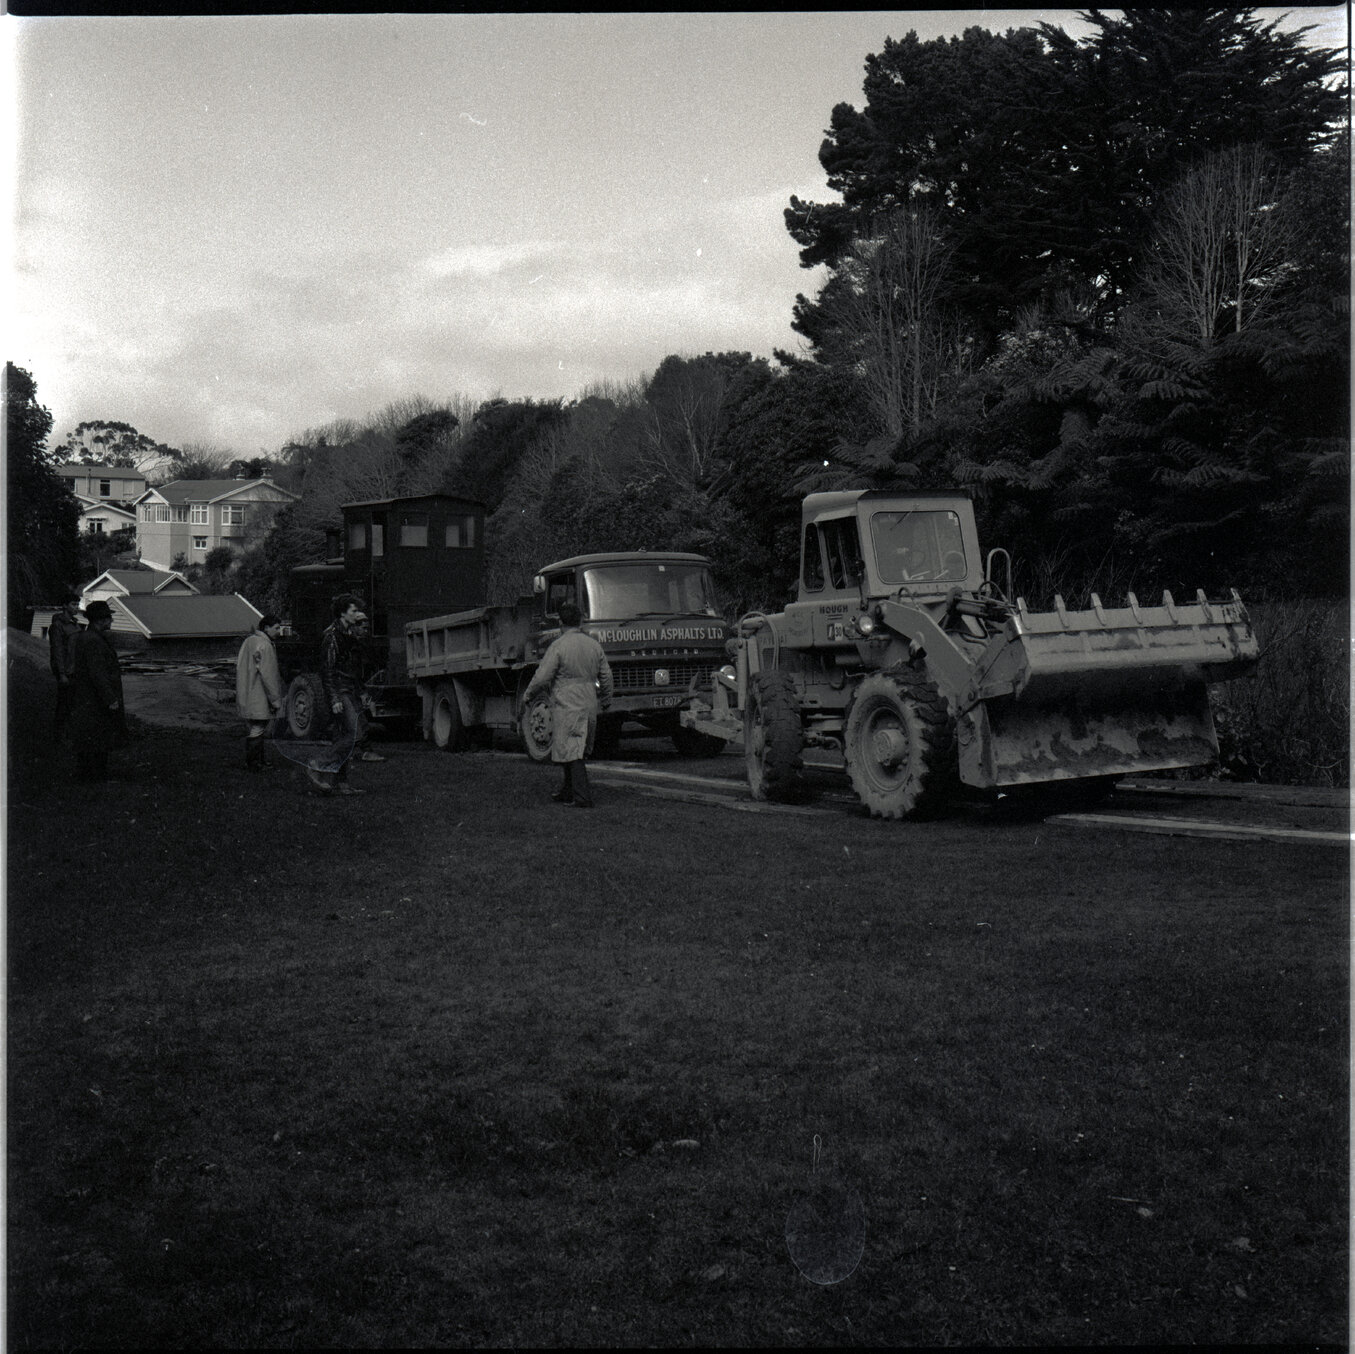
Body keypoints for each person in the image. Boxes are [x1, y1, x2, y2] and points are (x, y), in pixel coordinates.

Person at [522, 600, 614, 808]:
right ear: (580, 621)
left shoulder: (558, 646)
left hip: (567, 703)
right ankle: (567, 790)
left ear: (561, 622)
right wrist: (607, 699)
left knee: (572, 750)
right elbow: (606, 676)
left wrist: (528, 695)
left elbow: (542, 677)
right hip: (589, 701)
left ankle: (582, 797)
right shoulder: (593, 645)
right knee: (576, 747)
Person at [308, 594, 370, 796]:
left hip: (348, 690)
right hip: (340, 691)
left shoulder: (348, 634)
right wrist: (334, 699)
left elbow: (353, 668)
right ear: (343, 613)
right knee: (354, 735)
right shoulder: (332, 636)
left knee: (343, 736)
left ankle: (341, 783)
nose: (357, 614)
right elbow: (327, 670)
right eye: (354, 611)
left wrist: (361, 692)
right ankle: (318, 764)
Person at [68, 600, 126, 782]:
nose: (111, 621)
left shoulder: (88, 637)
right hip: (94, 698)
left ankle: (87, 774)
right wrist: (110, 698)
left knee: (90, 736)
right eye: (109, 618)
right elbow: (97, 672)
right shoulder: (93, 641)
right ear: (100, 620)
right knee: (98, 735)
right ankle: (96, 775)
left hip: (89, 696)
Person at [235, 613, 284, 773]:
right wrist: (276, 701)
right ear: (266, 628)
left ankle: (257, 761)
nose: (279, 632)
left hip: (246, 692)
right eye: (276, 628)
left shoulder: (249, 641)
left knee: (253, 728)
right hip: (259, 694)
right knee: (258, 728)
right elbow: (269, 676)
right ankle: (254, 763)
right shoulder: (265, 646)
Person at [48, 594, 83, 741]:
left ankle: (69, 733)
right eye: (73, 604)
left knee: (73, 703)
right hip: (66, 671)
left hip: (75, 669)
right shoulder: (58, 626)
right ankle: (59, 735)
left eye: (77, 604)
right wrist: (62, 674)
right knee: (64, 703)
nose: (77, 607)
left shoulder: (75, 624)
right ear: (64, 605)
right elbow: (57, 651)